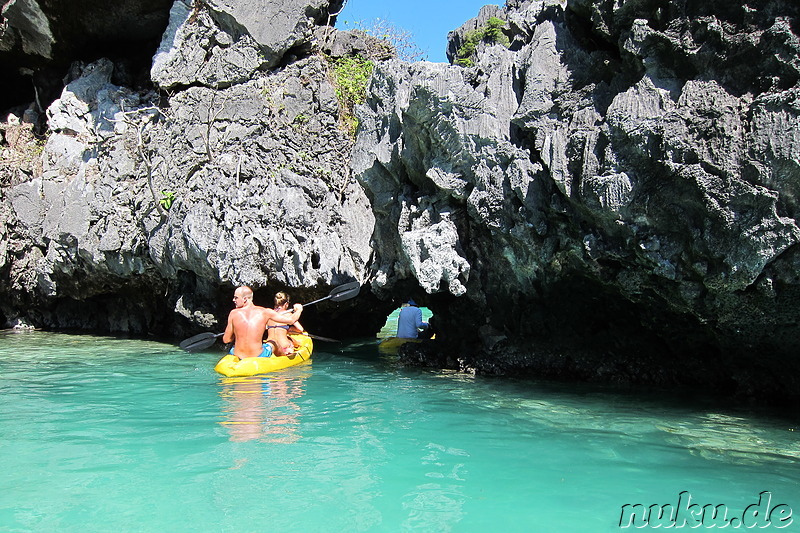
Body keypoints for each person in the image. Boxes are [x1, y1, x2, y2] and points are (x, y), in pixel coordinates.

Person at [222, 286, 303, 358]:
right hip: (259, 355)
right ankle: (284, 355)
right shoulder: (265, 312)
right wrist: (299, 310)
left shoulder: (233, 313)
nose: (233, 300)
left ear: (245, 299)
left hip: (238, 355)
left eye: (236, 297)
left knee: (234, 347)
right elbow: (291, 320)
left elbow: (226, 340)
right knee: (273, 342)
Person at [267, 291, 306, 356]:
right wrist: (290, 329)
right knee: (293, 341)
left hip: (271, 347)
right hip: (284, 348)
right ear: (286, 304)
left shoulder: (268, 314)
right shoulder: (288, 314)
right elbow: (300, 329)